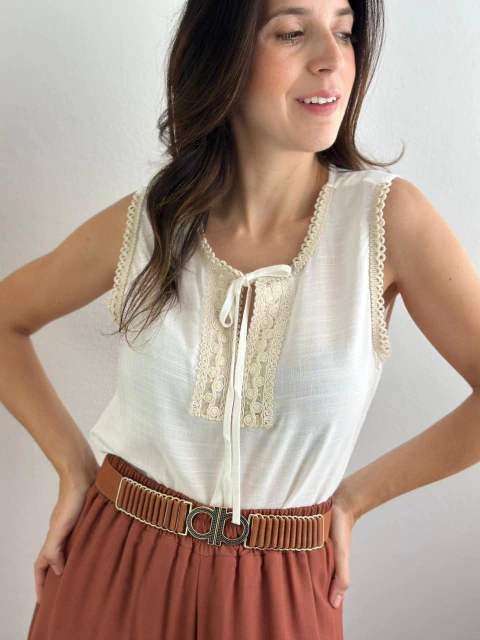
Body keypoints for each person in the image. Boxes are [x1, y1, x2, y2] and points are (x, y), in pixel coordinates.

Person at [1, 1, 478, 639]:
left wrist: (355, 500)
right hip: (113, 564)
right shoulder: (153, 222)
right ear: (224, 54)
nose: (332, 59)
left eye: (344, 32)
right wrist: (72, 468)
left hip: (283, 586)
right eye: (292, 32)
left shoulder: (385, 224)